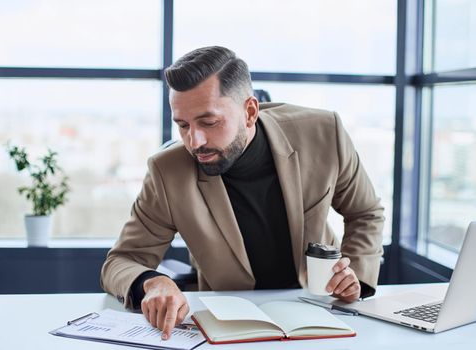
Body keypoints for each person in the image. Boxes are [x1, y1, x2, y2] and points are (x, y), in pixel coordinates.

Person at [101, 46, 384, 340]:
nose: (194, 142)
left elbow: (365, 213)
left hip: (319, 312)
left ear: (249, 111)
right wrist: (152, 281)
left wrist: (356, 282)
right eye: (183, 125)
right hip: (230, 326)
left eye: (209, 122)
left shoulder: (324, 133)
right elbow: (121, 261)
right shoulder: (168, 171)